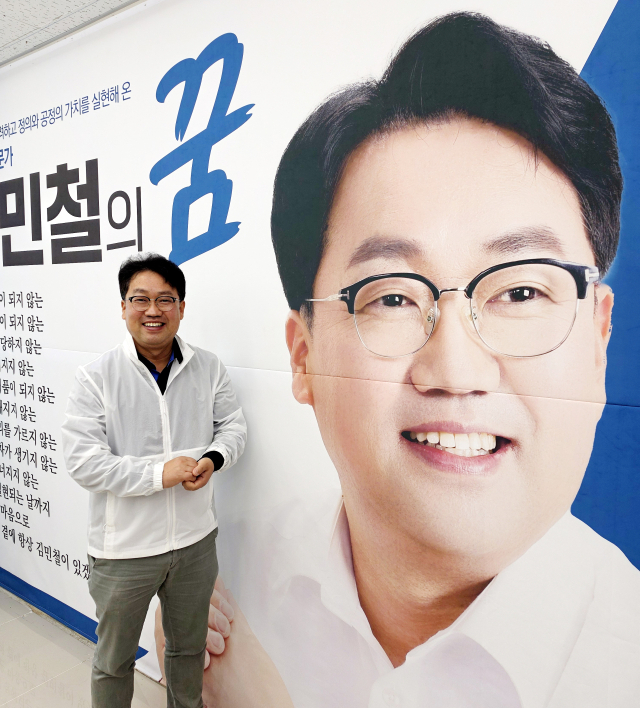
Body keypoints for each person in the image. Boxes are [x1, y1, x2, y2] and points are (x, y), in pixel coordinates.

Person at [158, 12, 640, 707]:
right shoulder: (229, 577)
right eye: (391, 297)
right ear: (303, 356)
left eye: (521, 291)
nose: (457, 370)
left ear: (598, 341)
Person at [62, 253, 246, 708]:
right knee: (114, 661)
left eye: (166, 299)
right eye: (140, 299)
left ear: (181, 307)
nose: (153, 310)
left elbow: (233, 427)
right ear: (123, 307)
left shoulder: (208, 367)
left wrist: (214, 458)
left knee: (187, 651)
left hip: (195, 542)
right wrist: (157, 475)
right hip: (124, 550)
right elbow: (83, 462)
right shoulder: (96, 377)